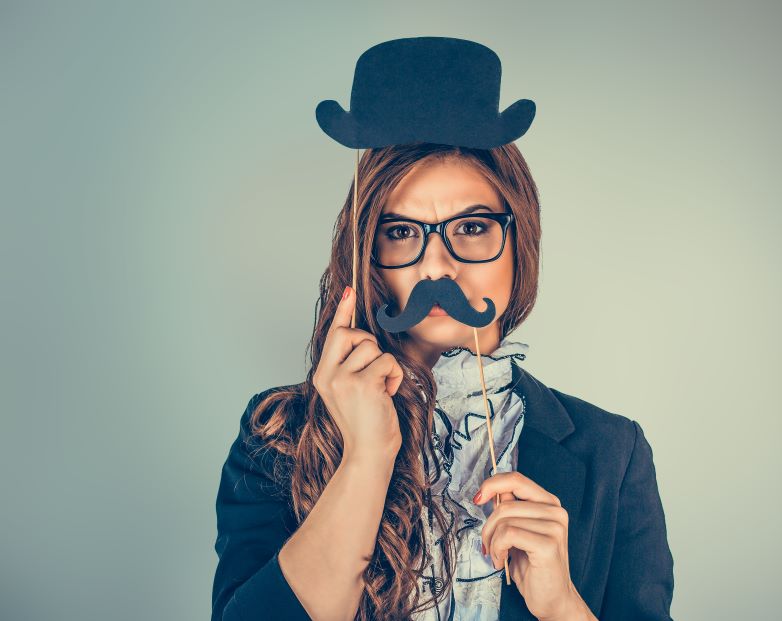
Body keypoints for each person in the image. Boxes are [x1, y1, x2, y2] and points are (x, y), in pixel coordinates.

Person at [211, 142, 676, 620]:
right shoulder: (279, 431)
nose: (436, 267)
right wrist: (366, 459)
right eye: (401, 232)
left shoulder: (613, 451)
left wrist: (562, 606)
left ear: (521, 243)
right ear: (368, 252)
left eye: (472, 228)